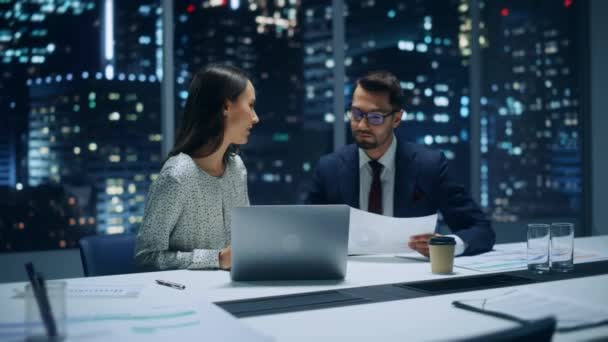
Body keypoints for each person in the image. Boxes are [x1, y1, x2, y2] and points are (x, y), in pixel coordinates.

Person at [305, 70, 494, 256]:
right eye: (356, 113)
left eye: (375, 117)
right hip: (349, 277)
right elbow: (305, 231)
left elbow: (480, 229)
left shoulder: (429, 165)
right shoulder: (329, 168)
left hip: (412, 278)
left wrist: (445, 245)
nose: (362, 125)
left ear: (396, 119)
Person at [135, 64, 259, 270]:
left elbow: (240, 242)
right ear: (226, 107)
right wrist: (216, 259)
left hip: (232, 288)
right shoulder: (177, 175)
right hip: (187, 296)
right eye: (251, 105)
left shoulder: (236, 168)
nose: (255, 118)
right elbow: (146, 257)